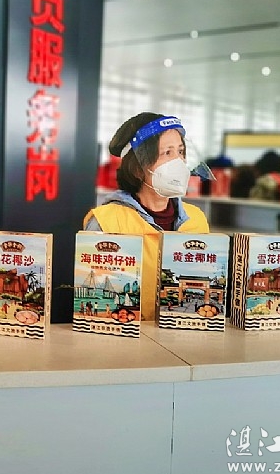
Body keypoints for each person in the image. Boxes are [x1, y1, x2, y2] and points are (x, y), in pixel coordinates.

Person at [83, 113, 211, 321]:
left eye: (180, 151)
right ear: (137, 168)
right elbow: (93, 291)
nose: (179, 162)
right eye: (167, 152)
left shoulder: (196, 219)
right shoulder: (105, 221)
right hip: (124, 332)